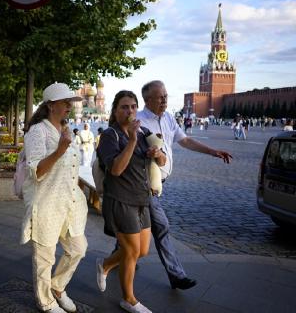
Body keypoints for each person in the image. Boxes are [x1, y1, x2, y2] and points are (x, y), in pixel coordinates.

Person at [127, 80, 233, 291]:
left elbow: (184, 141)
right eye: (160, 97)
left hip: (158, 184)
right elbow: (136, 159)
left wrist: (212, 151)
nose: (165, 100)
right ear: (147, 100)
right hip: (145, 184)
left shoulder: (167, 117)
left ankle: (120, 256)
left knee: (135, 225)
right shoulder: (140, 123)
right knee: (161, 226)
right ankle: (176, 275)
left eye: (166, 96)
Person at [21, 83, 88, 313]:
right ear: (50, 105)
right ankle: (46, 302)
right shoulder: (38, 131)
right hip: (46, 203)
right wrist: (59, 150)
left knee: (78, 248)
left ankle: (57, 287)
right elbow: (36, 171)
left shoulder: (65, 129)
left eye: (70, 102)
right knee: (45, 259)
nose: (69, 105)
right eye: (64, 101)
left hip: (69, 203)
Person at [96, 91, 166, 313]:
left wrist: (157, 153)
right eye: (124, 107)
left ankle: (105, 264)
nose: (130, 111)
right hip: (120, 199)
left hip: (142, 199)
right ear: (115, 110)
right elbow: (116, 169)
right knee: (131, 251)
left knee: (142, 251)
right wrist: (132, 140)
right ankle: (128, 299)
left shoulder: (145, 132)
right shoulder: (110, 135)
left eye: (133, 107)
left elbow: (162, 160)